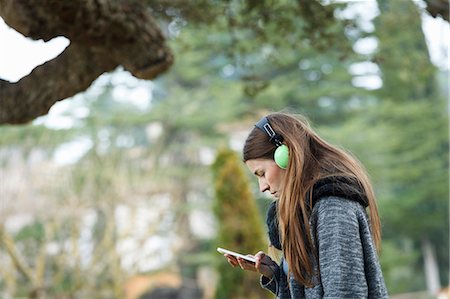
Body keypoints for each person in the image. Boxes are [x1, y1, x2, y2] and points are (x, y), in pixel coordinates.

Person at [222, 112, 388, 298]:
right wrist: (275, 275)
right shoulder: (303, 213)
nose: (262, 187)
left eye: (262, 173)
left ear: (285, 155)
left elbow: (345, 293)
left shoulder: (333, 208)